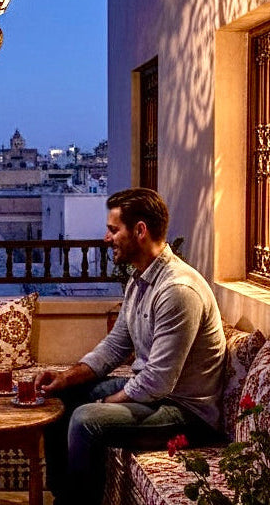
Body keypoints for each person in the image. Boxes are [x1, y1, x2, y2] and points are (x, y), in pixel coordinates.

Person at [36, 188, 226, 505]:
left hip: (186, 413)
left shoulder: (177, 290)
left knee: (86, 420)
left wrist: (106, 403)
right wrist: (65, 377)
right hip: (154, 396)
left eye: (113, 230)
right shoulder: (139, 280)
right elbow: (116, 345)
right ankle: (63, 495)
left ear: (139, 231)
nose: (106, 238)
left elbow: (157, 381)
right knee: (62, 398)